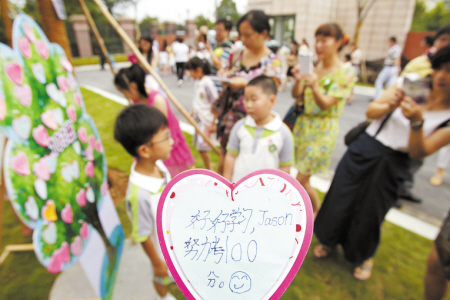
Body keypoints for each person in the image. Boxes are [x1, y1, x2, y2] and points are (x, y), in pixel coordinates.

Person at [314, 44, 450, 281]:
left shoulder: (447, 116)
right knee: (341, 196)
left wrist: (416, 123)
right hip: (368, 146)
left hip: (397, 160)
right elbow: (371, 110)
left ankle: (364, 255)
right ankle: (329, 240)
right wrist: (390, 105)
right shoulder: (413, 83)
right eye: (443, 68)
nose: (443, 77)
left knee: (372, 211)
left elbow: (420, 152)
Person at [291, 23, 354, 216]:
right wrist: (298, 80)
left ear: (338, 42)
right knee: (305, 177)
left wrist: (315, 86)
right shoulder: (313, 67)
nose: (318, 45)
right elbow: (297, 95)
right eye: (317, 40)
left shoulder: (345, 72)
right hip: (304, 126)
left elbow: (326, 104)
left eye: (324, 40)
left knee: (298, 180)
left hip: (323, 130)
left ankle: (300, 212)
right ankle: (317, 210)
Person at [114, 104, 176, 300]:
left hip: (174, 239)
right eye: (166, 138)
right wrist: (157, 262)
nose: (172, 141)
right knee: (160, 277)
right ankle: (164, 297)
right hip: (161, 251)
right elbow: (142, 235)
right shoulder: (139, 194)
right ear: (145, 150)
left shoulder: (158, 165)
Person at [212, 10, 282, 175]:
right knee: (225, 162)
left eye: (248, 35)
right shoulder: (237, 54)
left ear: (263, 33)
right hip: (230, 117)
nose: (243, 40)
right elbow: (228, 71)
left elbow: (272, 88)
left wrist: (245, 84)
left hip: (252, 119)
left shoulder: (272, 61)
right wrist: (225, 76)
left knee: (247, 165)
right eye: (241, 35)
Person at [114, 64, 194, 176]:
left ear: (132, 87)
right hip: (153, 144)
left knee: (178, 176)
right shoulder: (137, 101)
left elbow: (161, 130)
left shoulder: (157, 100)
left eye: (125, 92)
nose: (126, 96)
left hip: (165, 141)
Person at [223, 75, 293, 182]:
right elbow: (231, 156)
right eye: (246, 99)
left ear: (272, 100)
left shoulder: (283, 133)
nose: (248, 105)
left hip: (266, 194)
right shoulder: (240, 126)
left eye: (254, 99)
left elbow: (285, 167)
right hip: (238, 189)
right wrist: (227, 183)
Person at [186, 57, 219, 170]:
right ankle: (208, 167)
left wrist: (214, 122)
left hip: (206, 120)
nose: (189, 74)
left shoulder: (207, 84)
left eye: (190, 70)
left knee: (203, 147)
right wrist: (193, 111)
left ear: (198, 70)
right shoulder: (198, 82)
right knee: (200, 147)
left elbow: (216, 103)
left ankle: (210, 169)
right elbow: (199, 100)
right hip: (199, 118)